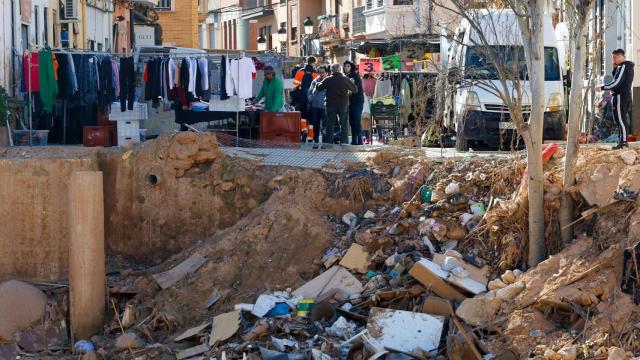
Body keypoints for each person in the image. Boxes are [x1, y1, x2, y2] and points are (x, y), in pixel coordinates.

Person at [596, 48, 635, 149]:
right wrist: (614, 68)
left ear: (620, 56)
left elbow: (616, 83)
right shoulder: (622, 67)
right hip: (622, 96)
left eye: (614, 57)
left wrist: (602, 87)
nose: (613, 60)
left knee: (621, 120)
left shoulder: (624, 66)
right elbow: (616, 79)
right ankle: (622, 141)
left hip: (620, 96)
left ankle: (624, 142)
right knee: (619, 119)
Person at [317, 63, 357, 144]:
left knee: (329, 124)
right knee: (344, 124)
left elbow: (319, 88)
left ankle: (329, 142)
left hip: (330, 105)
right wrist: (348, 92)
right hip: (343, 104)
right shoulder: (345, 79)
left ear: (332, 70)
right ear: (340, 70)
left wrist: (319, 82)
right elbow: (355, 90)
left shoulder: (328, 79)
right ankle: (344, 142)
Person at [343, 60, 364, 145]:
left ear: (351, 67)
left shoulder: (355, 76)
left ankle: (360, 140)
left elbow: (356, 88)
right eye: (345, 66)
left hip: (357, 101)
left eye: (348, 66)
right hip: (350, 102)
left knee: (356, 121)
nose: (346, 67)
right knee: (352, 121)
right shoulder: (345, 76)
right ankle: (354, 140)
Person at [308, 65, 329, 143]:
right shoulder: (315, 81)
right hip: (315, 106)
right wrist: (310, 97)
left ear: (326, 73)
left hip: (325, 107)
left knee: (324, 125)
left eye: (322, 72)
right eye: (319, 72)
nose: (321, 74)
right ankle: (315, 138)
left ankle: (324, 139)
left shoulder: (329, 81)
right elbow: (309, 91)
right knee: (315, 124)